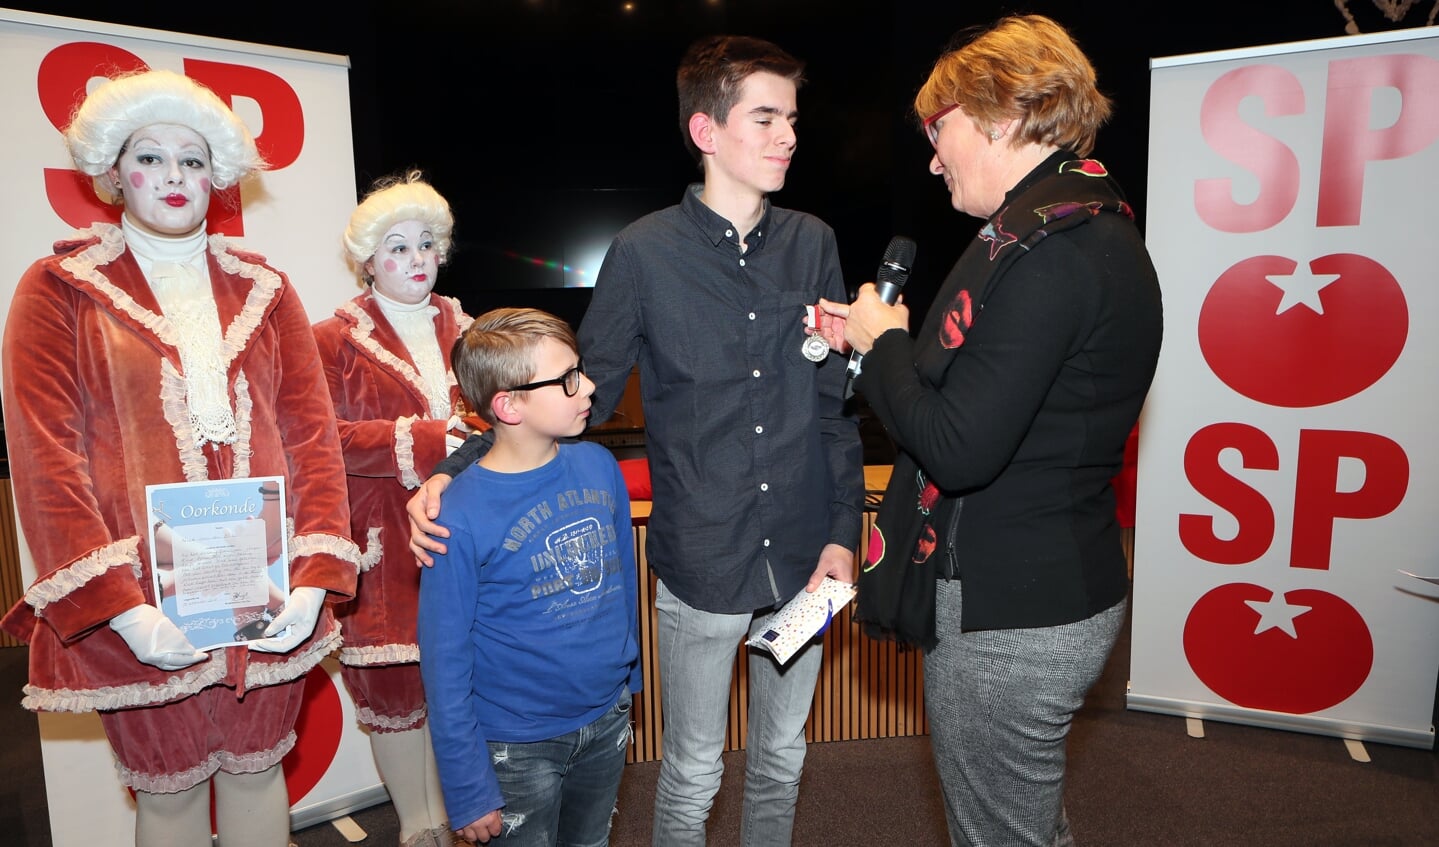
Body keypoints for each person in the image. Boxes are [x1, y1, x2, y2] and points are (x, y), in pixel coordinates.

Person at [410, 34, 865, 846]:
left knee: (784, 758)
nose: (787, 136)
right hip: (702, 559)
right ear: (706, 131)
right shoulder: (644, 253)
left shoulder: (814, 243)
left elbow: (833, 410)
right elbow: (571, 388)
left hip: (803, 557)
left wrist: (840, 534)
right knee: (691, 770)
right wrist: (456, 464)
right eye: (764, 117)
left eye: (790, 119)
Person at [815, 15, 1163, 847]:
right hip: (1050, 588)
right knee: (1024, 821)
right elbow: (987, 403)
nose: (932, 158)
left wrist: (884, 341)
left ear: (1000, 115)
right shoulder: (1085, 230)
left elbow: (958, 446)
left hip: (1009, 613)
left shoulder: (1049, 253)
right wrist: (875, 352)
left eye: (941, 131)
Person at [0, 69, 359, 846]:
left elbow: (311, 436)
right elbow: (45, 456)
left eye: (191, 160)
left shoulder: (267, 288)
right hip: (142, 596)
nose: (172, 177)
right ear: (112, 172)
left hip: (262, 583)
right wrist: (119, 605)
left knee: (260, 769)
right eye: (150, 157)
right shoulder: (59, 287)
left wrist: (313, 575)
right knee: (168, 791)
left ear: (217, 176)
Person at [416, 308, 642, 846]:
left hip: (606, 716)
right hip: (515, 745)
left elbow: (622, 587)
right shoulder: (456, 514)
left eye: (580, 369)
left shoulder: (598, 467)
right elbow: (444, 657)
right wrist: (468, 786)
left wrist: (627, 677)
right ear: (508, 405)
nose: (587, 385)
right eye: (567, 379)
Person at [312, 171, 474, 847]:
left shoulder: (471, 327)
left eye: (425, 244)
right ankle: (418, 824)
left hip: (467, 530)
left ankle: (465, 813)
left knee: (457, 685)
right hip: (384, 542)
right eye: (396, 247)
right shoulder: (330, 339)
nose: (414, 259)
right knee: (397, 694)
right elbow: (321, 439)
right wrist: (430, 439)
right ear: (366, 260)